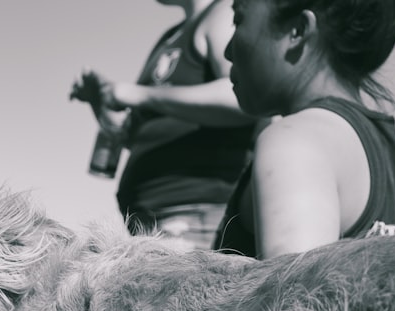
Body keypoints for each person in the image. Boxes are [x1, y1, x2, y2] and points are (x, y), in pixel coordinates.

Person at [213, 0, 395, 258]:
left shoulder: (295, 143)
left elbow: (294, 295)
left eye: (238, 19)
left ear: (298, 31)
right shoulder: (389, 147)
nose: (227, 51)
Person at [70, 0, 257, 250]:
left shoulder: (221, 14)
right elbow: (142, 133)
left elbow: (243, 96)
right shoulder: (170, 36)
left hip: (194, 216)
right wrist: (102, 107)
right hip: (150, 223)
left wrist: (139, 94)